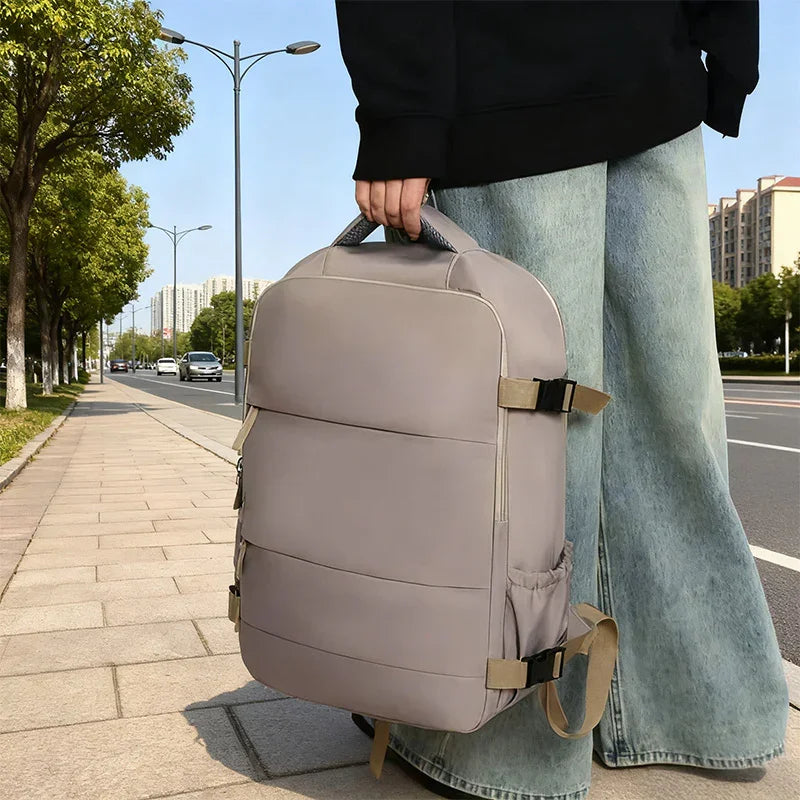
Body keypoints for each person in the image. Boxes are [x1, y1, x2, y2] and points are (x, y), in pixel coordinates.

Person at [335, 2, 788, 799]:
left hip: (605, 75)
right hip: (557, 73)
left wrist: (725, 44)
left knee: (615, 428)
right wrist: (402, 112)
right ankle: (559, 726)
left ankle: (624, 719)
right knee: (573, 437)